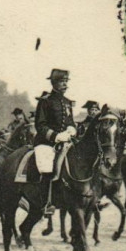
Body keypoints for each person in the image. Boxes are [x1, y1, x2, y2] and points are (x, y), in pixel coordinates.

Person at [34, 68, 76, 217]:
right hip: (47, 143)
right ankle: (46, 203)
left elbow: (70, 121)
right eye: (62, 81)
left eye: (66, 81)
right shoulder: (45, 101)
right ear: (54, 83)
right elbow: (40, 125)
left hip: (65, 140)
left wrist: (71, 129)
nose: (65, 84)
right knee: (46, 167)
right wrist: (56, 136)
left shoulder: (67, 102)